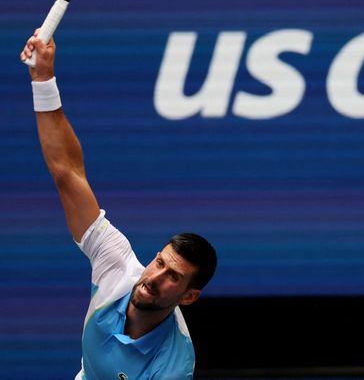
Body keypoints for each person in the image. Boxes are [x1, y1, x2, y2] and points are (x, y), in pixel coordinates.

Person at [21, 31, 217, 380]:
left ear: (189, 297)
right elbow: (68, 174)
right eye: (159, 262)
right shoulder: (117, 265)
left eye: (173, 277)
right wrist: (43, 78)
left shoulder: (172, 366)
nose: (154, 276)